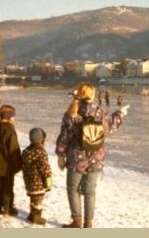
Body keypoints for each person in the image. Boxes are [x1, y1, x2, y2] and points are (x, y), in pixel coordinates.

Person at [55, 82, 129, 228]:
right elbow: (111, 125)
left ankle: (76, 221)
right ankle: (88, 224)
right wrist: (121, 112)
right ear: (92, 95)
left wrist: (60, 155)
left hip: (76, 157)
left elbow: (64, 136)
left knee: (72, 188)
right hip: (96, 157)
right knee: (90, 191)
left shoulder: (71, 113)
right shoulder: (100, 112)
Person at [0, 104, 23, 216]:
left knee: (1, 183)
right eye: (13, 115)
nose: (14, 118)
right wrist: (19, 163)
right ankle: (7, 207)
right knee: (8, 185)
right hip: (7, 163)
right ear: (8, 116)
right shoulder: (9, 129)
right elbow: (13, 148)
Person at [21, 127, 53, 225]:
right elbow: (44, 167)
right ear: (41, 140)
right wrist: (48, 178)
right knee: (38, 200)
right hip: (39, 182)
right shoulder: (41, 152)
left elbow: (24, 166)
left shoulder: (26, 151)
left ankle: (31, 214)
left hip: (29, 182)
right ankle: (36, 217)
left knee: (33, 198)